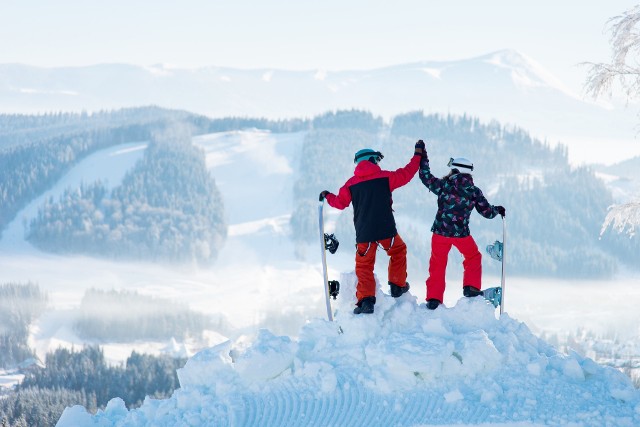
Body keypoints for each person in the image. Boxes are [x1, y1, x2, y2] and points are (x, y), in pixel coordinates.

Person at [319, 141, 424, 314]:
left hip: (364, 233)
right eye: (377, 160)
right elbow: (407, 173)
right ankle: (397, 285)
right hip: (386, 229)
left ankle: (366, 300)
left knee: (364, 266)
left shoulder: (350, 184)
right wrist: (417, 155)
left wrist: (328, 195)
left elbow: (340, 203)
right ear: (372, 160)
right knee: (398, 251)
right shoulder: (386, 177)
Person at [418, 147, 505, 310]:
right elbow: (486, 212)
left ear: (455, 170)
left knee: (438, 263)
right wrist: (498, 210)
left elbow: (426, 177)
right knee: (473, 257)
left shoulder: (444, 185)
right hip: (461, 234)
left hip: (440, 232)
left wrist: (423, 159)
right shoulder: (473, 191)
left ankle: (434, 299)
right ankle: (471, 288)